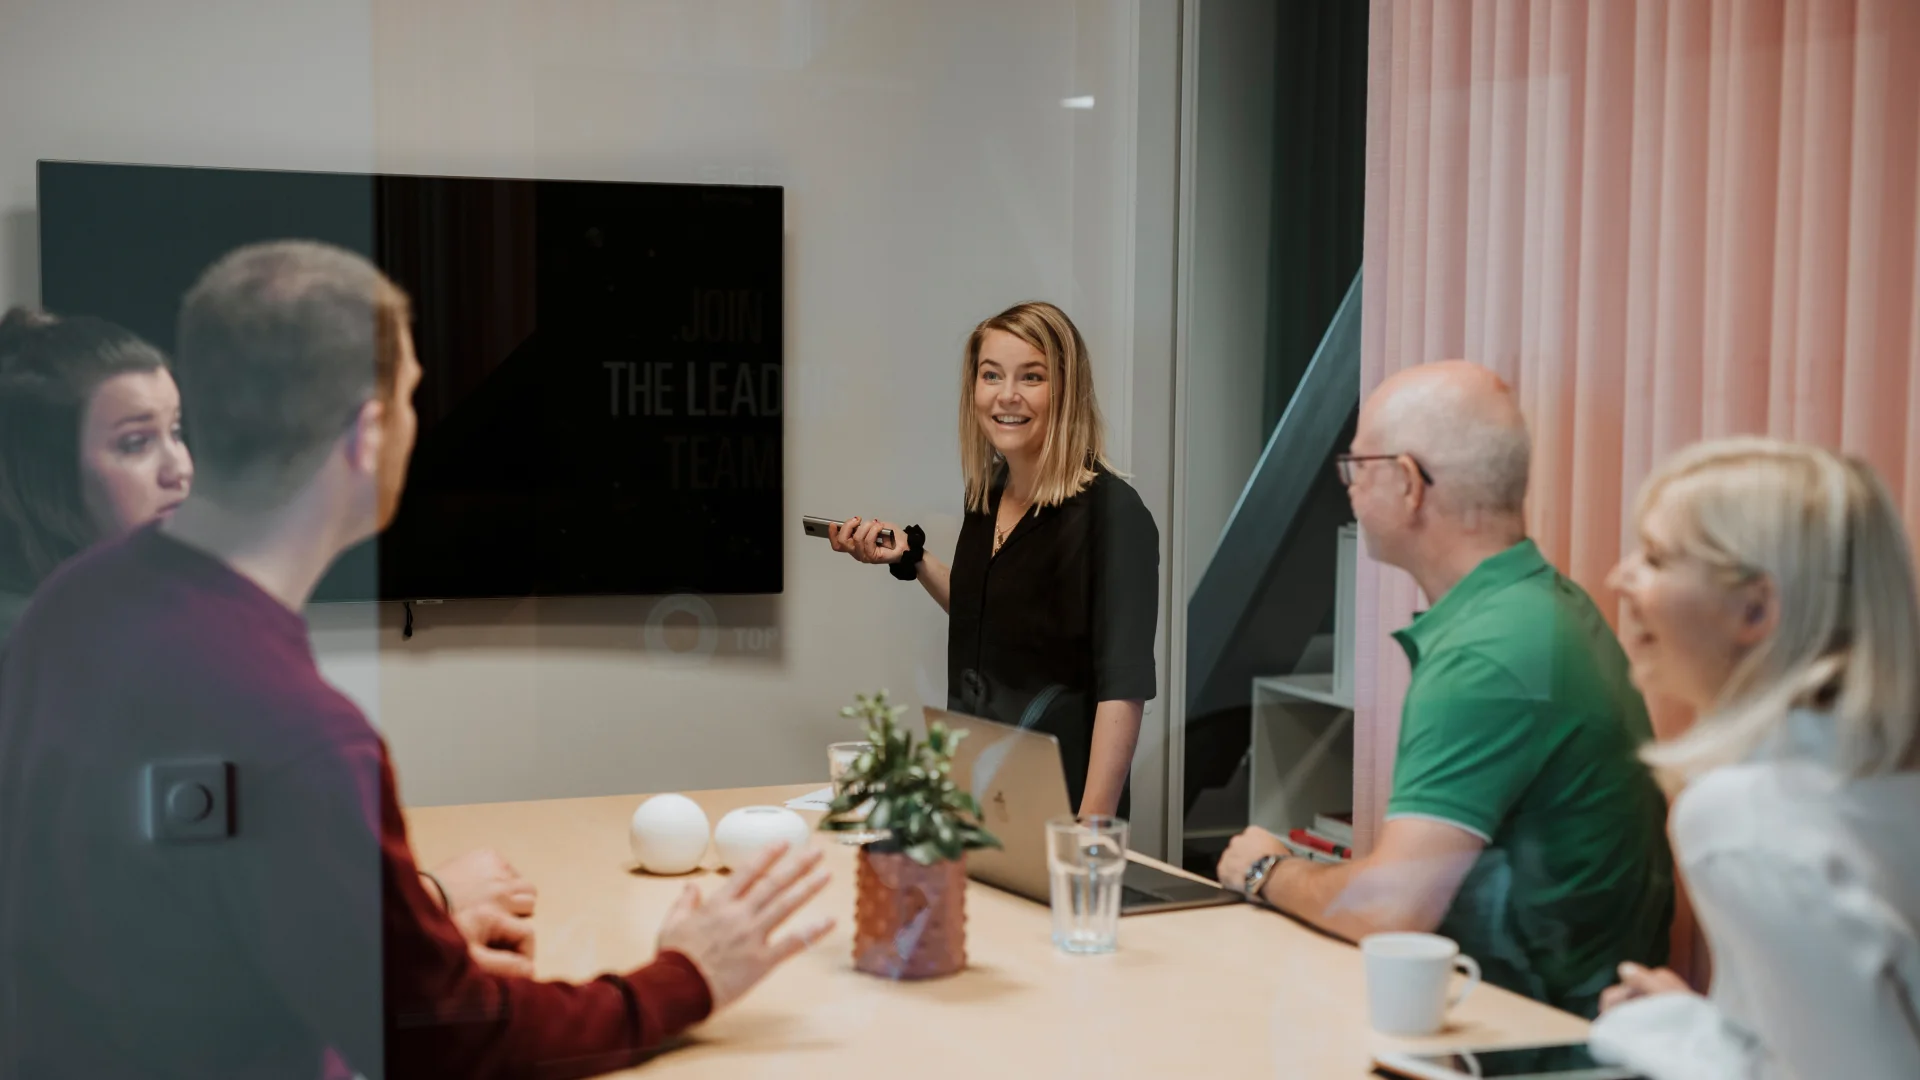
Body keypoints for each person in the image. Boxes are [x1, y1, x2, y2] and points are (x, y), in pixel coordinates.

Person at [0, 241, 834, 1079]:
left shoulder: (76, 602)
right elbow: (445, 1042)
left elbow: (163, 924)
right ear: (367, 438)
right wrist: (687, 976)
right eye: (411, 398)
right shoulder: (297, 731)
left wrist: (395, 945)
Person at [1216, 360, 1673, 1018]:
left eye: (1358, 466)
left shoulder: (1487, 651)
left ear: (1407, 483)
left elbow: (1390, 909)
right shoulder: (1538, 607)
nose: (1349, 487)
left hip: (1527, 1036)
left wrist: (1268, 870)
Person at [1588, 438, 1920, 1079]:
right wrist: (1710, 1022)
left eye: (1654, 558)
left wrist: (1669, 1042)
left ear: (1757, 610)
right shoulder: (1879, 774)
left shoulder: (1742, 816)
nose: (1619, 578)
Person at [828, 301, 1158, 818]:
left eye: (1032, 377)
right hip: (975, 784)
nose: (1007, 395)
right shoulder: (988, 493)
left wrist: (1089, 830)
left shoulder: (1114, 514)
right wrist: (913, 558)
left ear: (1067, 389)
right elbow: (984, 610)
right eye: (991, 375)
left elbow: (1124, 689)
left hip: (1060, 802)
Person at [0, 307, 193, 641]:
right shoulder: (38, 647)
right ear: (49, 472)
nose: (180, 469)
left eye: (176, 432)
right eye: (135, 443)